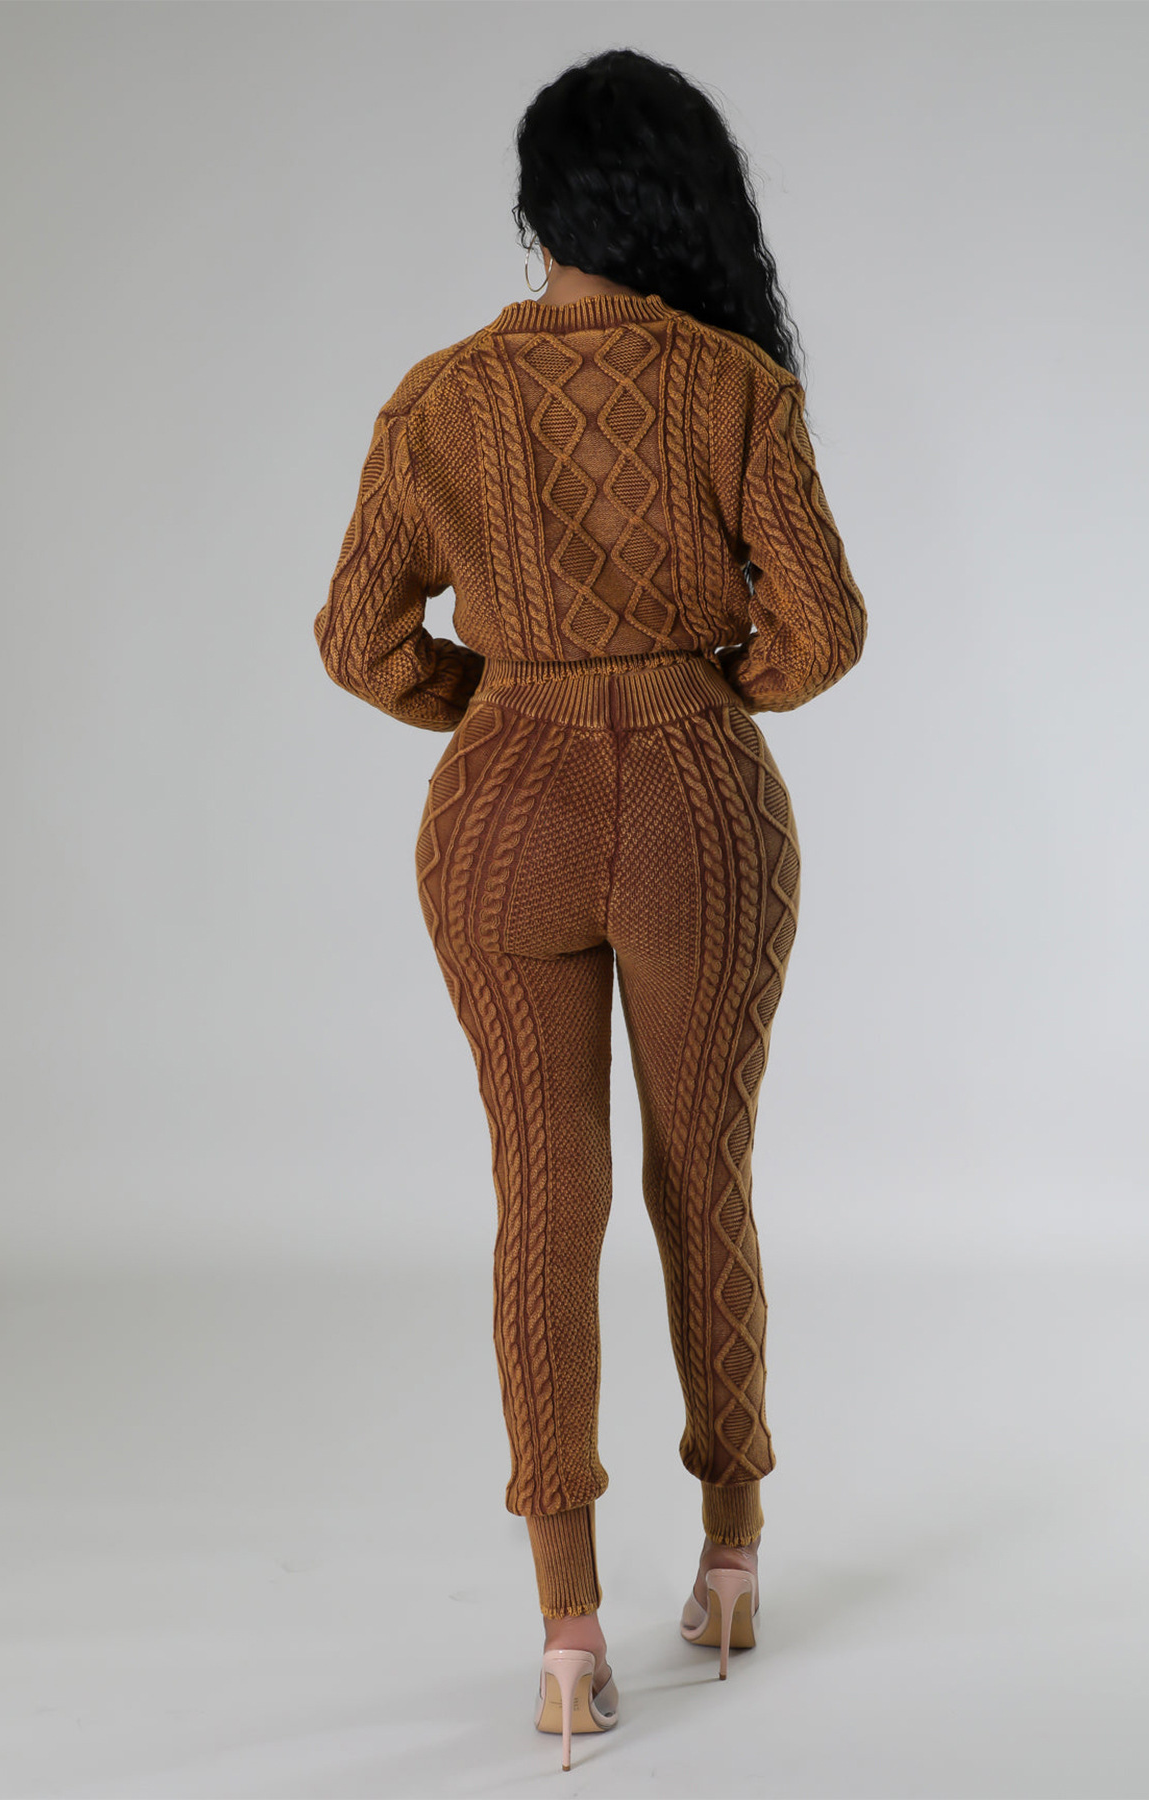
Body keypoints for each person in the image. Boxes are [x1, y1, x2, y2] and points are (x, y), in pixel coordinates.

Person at [313, 46, 867, 1769]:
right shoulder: (734, 387)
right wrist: (700, 689)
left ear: (536, 210)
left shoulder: (442, 398)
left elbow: (358, 638)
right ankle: (729, 1555)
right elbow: (822, 630)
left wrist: (498, 704)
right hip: (699, 811)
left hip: (505, 820)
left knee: (539, 1199)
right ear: (683, 203)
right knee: (703, 1170)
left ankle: (565, 1633)